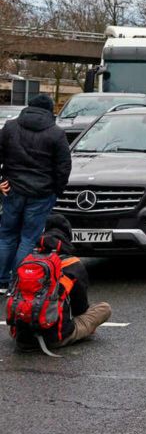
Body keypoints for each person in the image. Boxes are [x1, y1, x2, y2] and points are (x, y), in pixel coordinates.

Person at [8, 214, 111, 353]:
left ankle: (28, 333)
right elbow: (80, 308)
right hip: (56, 337)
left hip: (22, 338)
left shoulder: (28, 260)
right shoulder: (72, 263)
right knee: (104, 308)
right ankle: (63, 333)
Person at [0, 94, 72, 291]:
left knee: (6, 235)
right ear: (50, 111)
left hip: (12, 189)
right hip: (41, 192)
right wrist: (57, 190)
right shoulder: (56, 133)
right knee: (28, 238)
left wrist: (1, 181)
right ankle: (19, 281)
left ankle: (1, 280)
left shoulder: (10, 128)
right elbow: (63, 166)